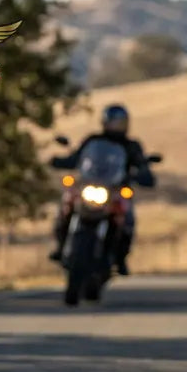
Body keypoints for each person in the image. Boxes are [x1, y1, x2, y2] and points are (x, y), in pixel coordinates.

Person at [48, 103, 156, 275]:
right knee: (66, 206)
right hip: (90, 185)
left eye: (120, 122)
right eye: (113, 121)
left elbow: (142, 165)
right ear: (104, 122)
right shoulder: (93, 140)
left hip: (115, 191)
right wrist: (60, 161)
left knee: (127, 219)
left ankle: (121, 258)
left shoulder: (131, 146)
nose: (116, 126)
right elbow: (76, 157)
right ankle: (60, 247)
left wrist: (143, 175)